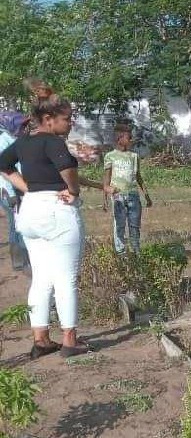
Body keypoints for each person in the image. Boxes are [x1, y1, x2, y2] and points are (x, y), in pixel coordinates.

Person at [0, 87, 113, 359]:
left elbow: (3, 164)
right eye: (67, 118)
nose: (70, 122)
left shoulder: (24, 141)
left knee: (40, 278)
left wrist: (27, 187)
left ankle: (41, 340)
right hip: (56, 211)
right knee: (65, 278)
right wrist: (73, 191)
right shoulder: (53, 141)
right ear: (49, 118)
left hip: (30, 211)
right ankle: (70, 341)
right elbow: (68, 170)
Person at [103, 124, 153, 255]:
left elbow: (138, 177)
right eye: (129, 137)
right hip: (118, 197)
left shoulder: (134, 156)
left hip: (133, 196)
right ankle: (121, 254)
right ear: (119, 139)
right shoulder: (110, 156)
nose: (131, 140)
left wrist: (146, 195)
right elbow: (107, 180)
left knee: (134, 226)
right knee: (119, 226)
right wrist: (105, 199)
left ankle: (136, 252)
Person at [0, 111, 30, 271]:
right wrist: (10, 194)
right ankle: (19, 260)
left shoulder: (16, 139)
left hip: (20, 189)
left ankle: (25, 258)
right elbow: (3, 172)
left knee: (22, 222)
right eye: (22, 125)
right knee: (15, 225)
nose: (24, 128)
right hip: (9, 192)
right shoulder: (2, 141)